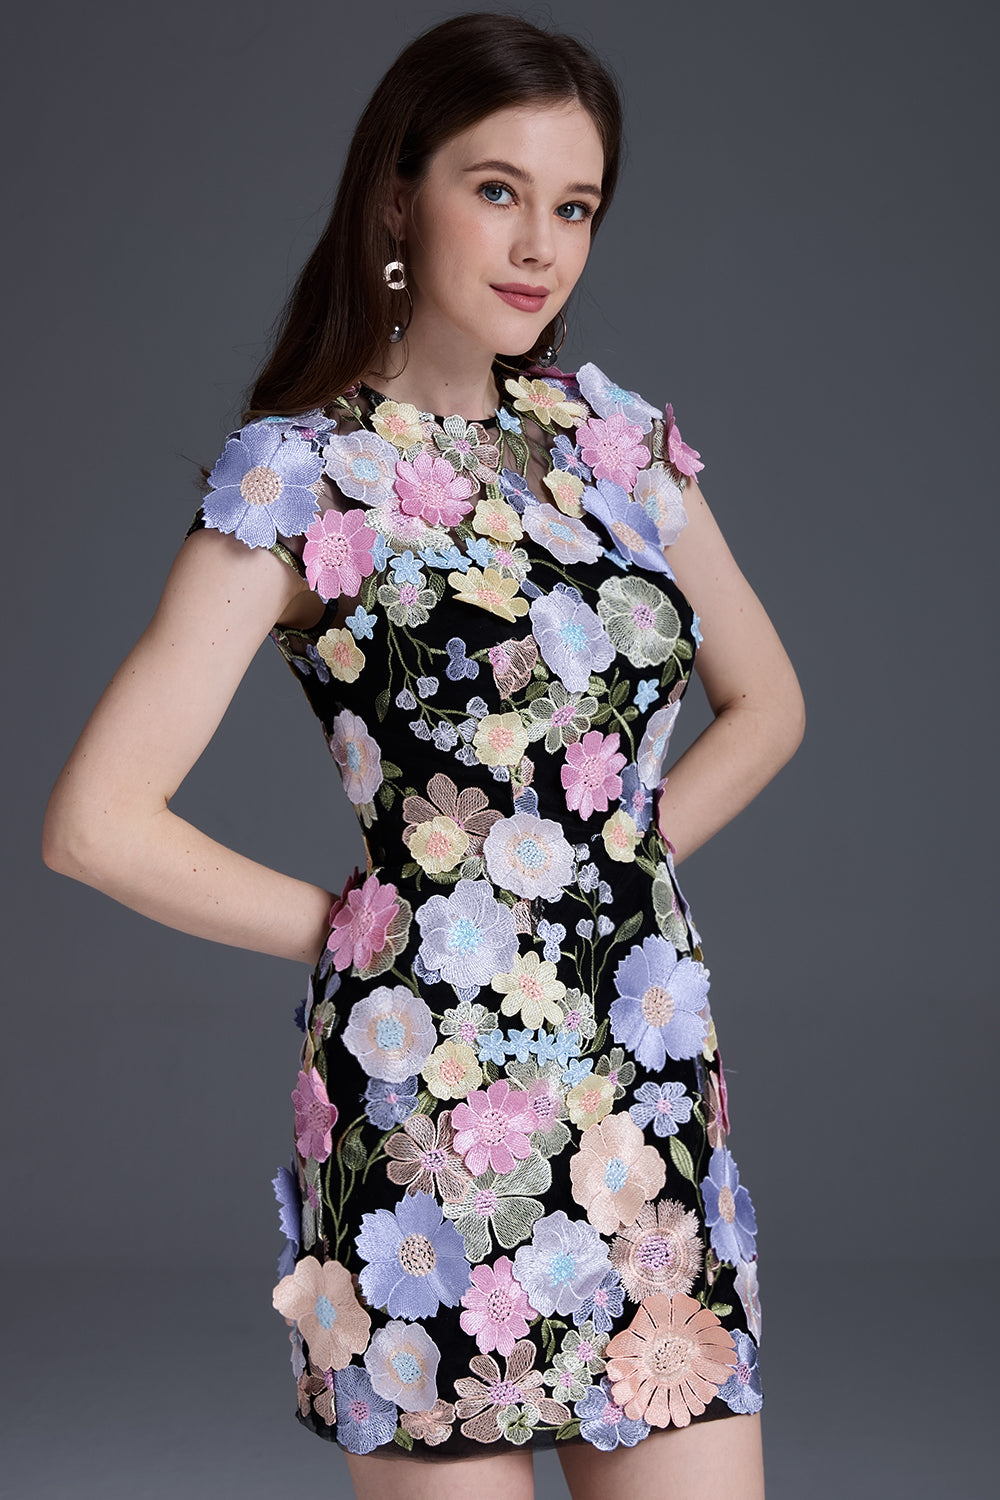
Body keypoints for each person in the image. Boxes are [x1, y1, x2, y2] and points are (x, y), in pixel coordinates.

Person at [42, 12, 804, 1499]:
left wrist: (614, 865)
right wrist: (360, 927)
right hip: (429, 1113)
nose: (539, 247)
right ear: (398, 197)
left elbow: (768, 701)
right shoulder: (303, 472)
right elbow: (96, 820)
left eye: (574, 206)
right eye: (496, 189)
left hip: (643, 1091)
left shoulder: (617, 444)